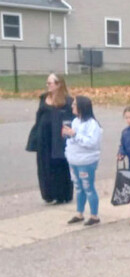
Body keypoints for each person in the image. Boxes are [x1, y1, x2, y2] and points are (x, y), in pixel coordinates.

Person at [26, 73, 73, 204]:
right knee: (44, 165)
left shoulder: (67, 101)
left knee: (59, 165)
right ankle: (48, 194)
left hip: (58, 138)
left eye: (50, 83)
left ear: (58, 85)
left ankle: (62, 194)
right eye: (47, 83)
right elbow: (39, 116)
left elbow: (70, 119)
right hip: (44, 136)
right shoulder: (43, 98)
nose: (48, 86)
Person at [63, 96, 102, 226]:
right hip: (74, 159)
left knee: (88, 187)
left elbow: (91, 143)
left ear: (81, 107)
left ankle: (94, 215)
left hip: (86, 161)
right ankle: (79, 213)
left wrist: (74, 135)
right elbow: (73, 140)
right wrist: (68, 135)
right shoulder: (75, 121)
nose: (72, 106)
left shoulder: (92, 124)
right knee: (78, 187)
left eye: (74, 104)